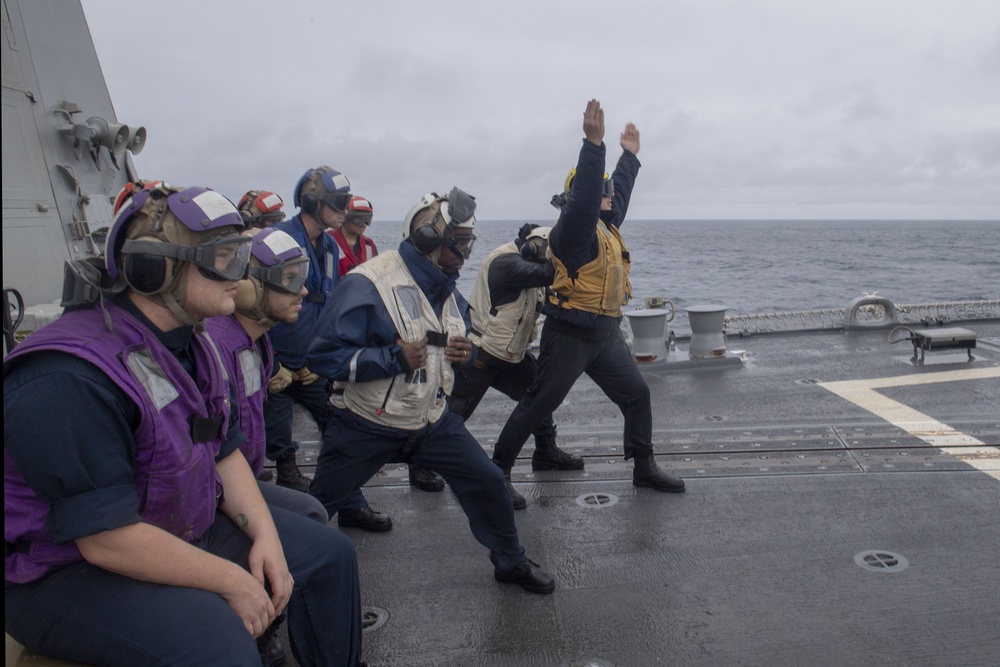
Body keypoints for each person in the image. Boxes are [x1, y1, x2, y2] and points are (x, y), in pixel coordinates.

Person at [4, 183, 362, 666]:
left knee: (329, 556)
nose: (241, 275)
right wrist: (233, 579)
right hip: (61, 569)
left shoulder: (193, 345)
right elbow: (105, 537)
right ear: (154, 268)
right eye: (225, 259)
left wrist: (268, 539)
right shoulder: (68, 377)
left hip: (173, 522)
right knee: (219, 645)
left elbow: (223, 451)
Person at [307, 188, 555, 595]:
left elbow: (459, 335)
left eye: (468, 242)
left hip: (430, 420)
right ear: (427, 240)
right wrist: (391, 359)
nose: (466, 253)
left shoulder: (445, 286)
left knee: (488, 482)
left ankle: (510, 561)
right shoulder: (368, 285)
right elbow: (321, 356)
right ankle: (272, 590)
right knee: (315, 509)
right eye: (459, 243)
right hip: (366, 423)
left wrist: (468, 351)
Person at [491, 99, 686, 503]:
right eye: (601, 190)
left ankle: (643, 467)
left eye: (608, 190)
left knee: (637, 396)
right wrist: (593, 146)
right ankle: (497, 473)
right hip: (570, 335)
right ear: (580, 195)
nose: (608, 196)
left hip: (604, 335)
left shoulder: (607, 227)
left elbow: (619, 194)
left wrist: (628, 157)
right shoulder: (573, 232)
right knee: (536, 405)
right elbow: (583, 203)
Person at [267, 166, 391, 532]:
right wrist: (270, 361)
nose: (344, 210)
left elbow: (330, 302)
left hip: (309, 364)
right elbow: (253, 305)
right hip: (272, 365)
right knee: (258, 436)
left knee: (341, 430)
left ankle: (348, 504)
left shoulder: (328, 246)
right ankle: (279, 512)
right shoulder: (278, 241)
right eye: (337, 203)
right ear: (310, 202)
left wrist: (321, 356)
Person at [449, 224, 583, 510]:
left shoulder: (530, 266)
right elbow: (550, 274)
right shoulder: (507, 262)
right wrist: (577, 253)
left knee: (540, 397)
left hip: (511, 355)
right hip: (481, 353)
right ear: (530, 245)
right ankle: (422, 466)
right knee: (454, 413)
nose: (544, 257)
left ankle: (545, 452)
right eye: (545, 251)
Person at [328, 195, 446, 494]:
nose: (362, 225)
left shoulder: (369, 246)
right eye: (357, 219)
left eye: (367, 220)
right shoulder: (330, 244)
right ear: (345, 217)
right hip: (341, 320)